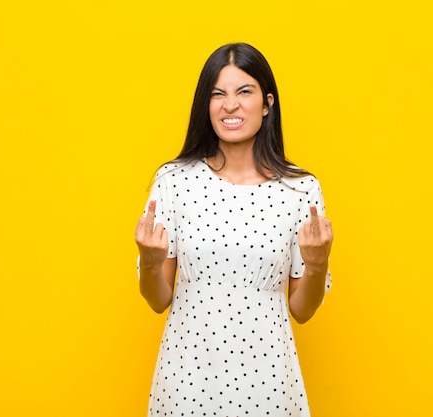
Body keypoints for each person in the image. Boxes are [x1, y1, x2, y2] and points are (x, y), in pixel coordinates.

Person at [135, 42, 333, 417]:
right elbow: (158, 298)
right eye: (218, 94)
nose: (230, 105)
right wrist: (148, 260)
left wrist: (318, 263)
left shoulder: (301, 190)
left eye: (244, 91)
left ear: (267, 103)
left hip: (269, 381)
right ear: (205, 105)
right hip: (187, 379)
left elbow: (302, 310)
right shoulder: (175, 181)